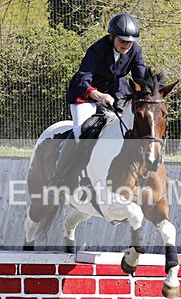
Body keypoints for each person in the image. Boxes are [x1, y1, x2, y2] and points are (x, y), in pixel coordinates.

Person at [47, 13, 147, 188]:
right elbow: (83, 77)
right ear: (112, 37)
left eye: (130, 41)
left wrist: (150, 94)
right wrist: (98, 96)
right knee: (82, 131)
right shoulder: (98, 49)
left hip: (116, 92)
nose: (126, 45)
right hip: (86, 93)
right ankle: (60, 176)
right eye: (122, 40)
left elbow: (141, 78)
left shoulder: (135, 50)